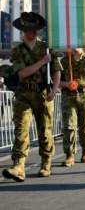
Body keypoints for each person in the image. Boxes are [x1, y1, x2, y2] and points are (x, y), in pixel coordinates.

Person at [2, 12, 61, 182]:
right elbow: (22, 73)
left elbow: (57, 70)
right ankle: (19, 165)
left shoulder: (47, 48)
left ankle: (46, 162)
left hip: (43, 94)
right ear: (23, 31)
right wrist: (43, 62)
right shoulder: (18, 50)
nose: (32, 32)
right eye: (28, 29)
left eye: (34, 29)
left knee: (45, 131)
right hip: (24, 95)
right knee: (21, 129)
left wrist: (54, 89)